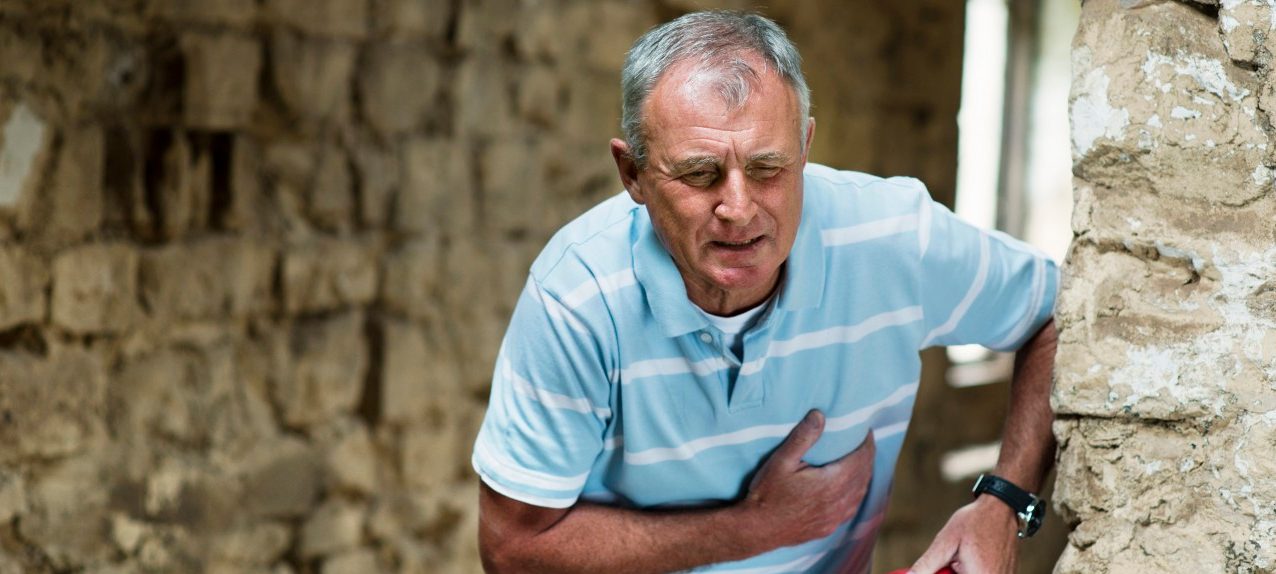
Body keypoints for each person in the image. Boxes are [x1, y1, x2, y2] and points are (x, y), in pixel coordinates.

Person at [472, 10, 1058, 574]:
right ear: (633, 176)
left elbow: (1060, 314)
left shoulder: (895, 237)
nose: (738, 208)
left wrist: (1005, 503)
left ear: (804, 147)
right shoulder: (577, 297)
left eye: (768, 168)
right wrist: (756, 527)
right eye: (700, 174)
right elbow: (512, 548)